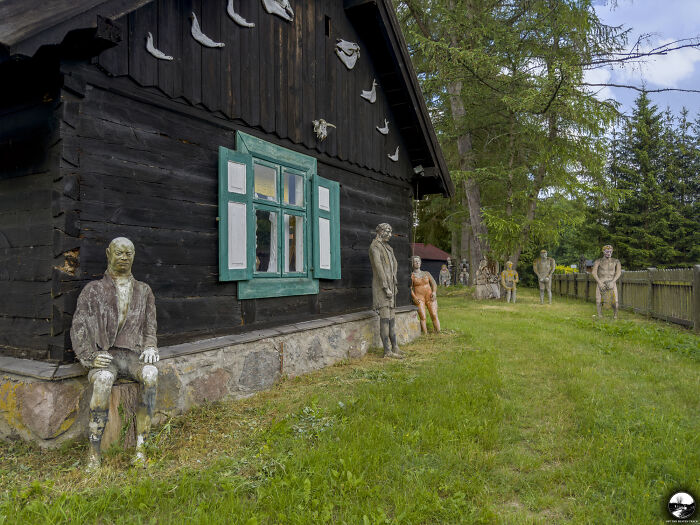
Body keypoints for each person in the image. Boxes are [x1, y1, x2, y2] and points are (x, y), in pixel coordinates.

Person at [71, 237, 159, 469]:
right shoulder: (93, 290)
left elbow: (150, 326)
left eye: (128, 253)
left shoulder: (144, 290)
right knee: (103, 380)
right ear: (109, 253)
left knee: (151, 374)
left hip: (132, 355)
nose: (124, 257)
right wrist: (89, 357)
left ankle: (141, 447)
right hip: (105, 354)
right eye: (119, 252)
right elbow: (78, 327)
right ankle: (94, 451)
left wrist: (150, 346)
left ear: (134, 256)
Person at [369, 223, 404, 359]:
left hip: (391, 287)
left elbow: (394, 265)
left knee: (392, 319)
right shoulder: (375, 247)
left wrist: (393, 282)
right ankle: (387, 351)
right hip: (382, 289)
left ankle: (395, 346)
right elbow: (379, 269)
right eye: (388, 232)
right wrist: (385, 287)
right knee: (384, 319)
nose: (390, 235)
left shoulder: (388, 248)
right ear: (380, 231)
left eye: (391, 232)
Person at [410, 256, 441, 334]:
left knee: (434, 314)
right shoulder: (411, 275)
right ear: (412, 264)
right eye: (415, 261)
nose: (417, 263)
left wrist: (434, 292)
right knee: (422, 316)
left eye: (418, 261)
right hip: (419, 297)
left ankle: (438, 332)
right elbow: (409, 288)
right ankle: (425, 334)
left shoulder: (426, 273)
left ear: (420, 262)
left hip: (429, 296)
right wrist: (414, 297)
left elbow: (434, 284)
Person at [592, 244, 622, 319]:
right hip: (601, 282)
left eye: (610, 251)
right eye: (607, 251)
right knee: (598, 300)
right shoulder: (598, 261)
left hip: (612, 282)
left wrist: (613, 281)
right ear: (603, 252)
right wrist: (599, 282)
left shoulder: (616, 261)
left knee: (615, 301)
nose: (608, 253)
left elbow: (618, 272)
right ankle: (600, 315)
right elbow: (593, 272)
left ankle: (615, 316)